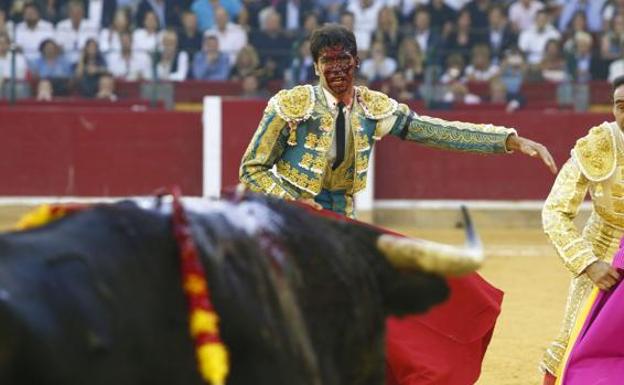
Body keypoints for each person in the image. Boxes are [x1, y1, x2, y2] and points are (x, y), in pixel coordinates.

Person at [239, 24, 556, 219]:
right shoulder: (291, 105)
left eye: (343, 60)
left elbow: (436, 132)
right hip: (289, 216)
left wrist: (506, 140)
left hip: (344, 214)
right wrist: (294, 202)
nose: (336, 68)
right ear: (316, 67)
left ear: (356, 62)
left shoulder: (372, 108)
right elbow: (251, 168)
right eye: (327, 61)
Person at [540, 75, 624, 385]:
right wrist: (588, 263)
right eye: (620, 106)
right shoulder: (598, 145)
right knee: (574, 337)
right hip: (603, 249)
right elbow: (555, 210)